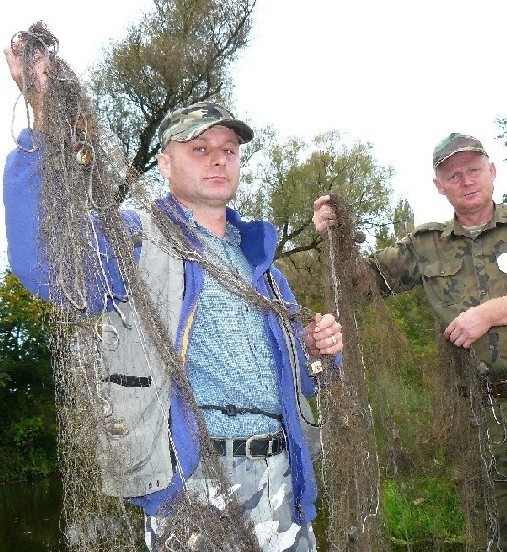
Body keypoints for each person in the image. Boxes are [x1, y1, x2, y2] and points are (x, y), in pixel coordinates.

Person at [4, 37, 342, 552]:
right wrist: (47, 120)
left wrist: (319, 353)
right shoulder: (135, 237)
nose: (217, 160)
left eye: (228, 150)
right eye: (199, 149)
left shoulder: (262, 263)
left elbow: (301, 384)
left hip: (282, 479)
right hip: (192, 486)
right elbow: (47, 262)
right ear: (165, 163)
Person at [313, 131, 507, 548]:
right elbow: (358, 282)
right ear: (440, 186)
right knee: (489, 522)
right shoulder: (426, 245)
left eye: (474, 170)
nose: (466, 180)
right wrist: (335, 234)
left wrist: (490, 314)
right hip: (477, 412)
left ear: (492, 171)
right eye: (453, 175)